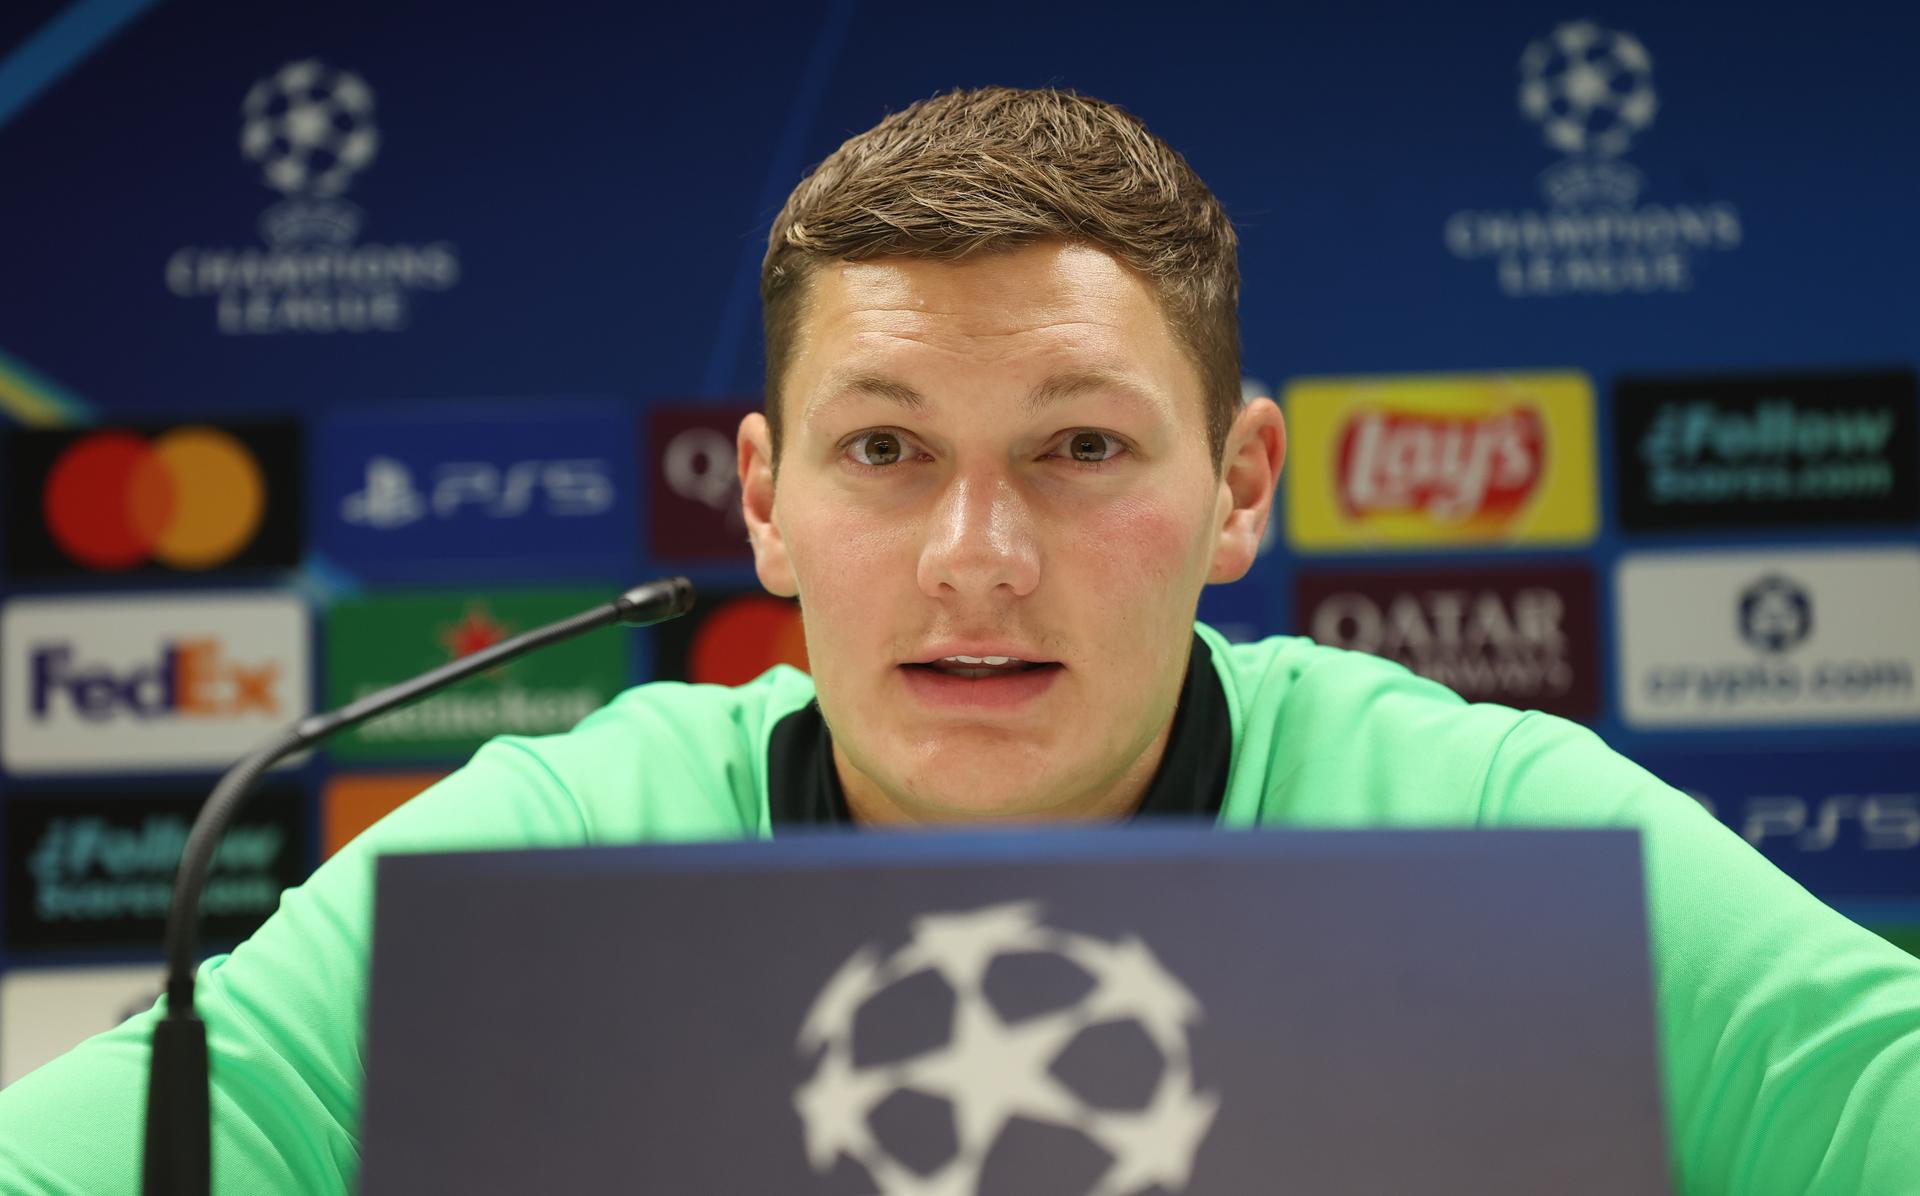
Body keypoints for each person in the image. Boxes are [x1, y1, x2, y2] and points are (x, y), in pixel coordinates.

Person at [2, 86, 1917, 1195]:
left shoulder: (1490, 828)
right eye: (886, 453)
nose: (976, 558)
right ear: (764, 497)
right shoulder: (547, 858)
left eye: (1080, 449)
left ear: (1243, 486)